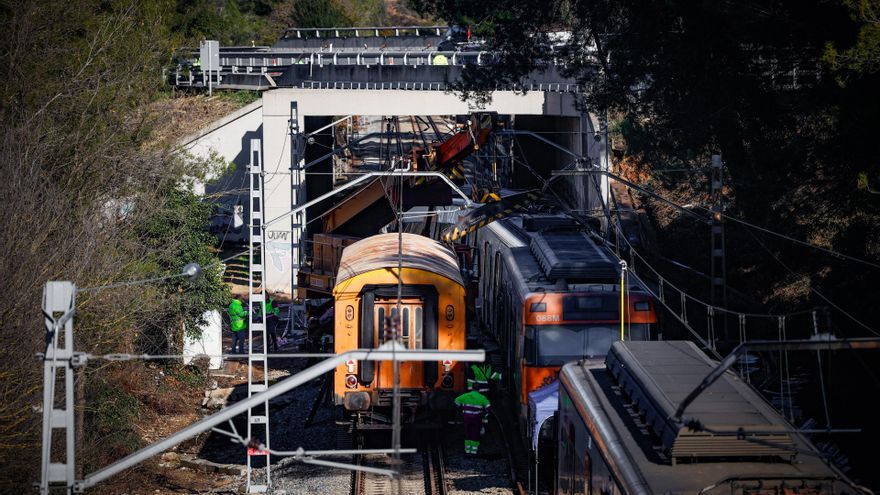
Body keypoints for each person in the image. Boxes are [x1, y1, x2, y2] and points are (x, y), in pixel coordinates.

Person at [454, 389, 491, 455]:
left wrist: (460, 408)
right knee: (475, 434)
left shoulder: (465, 395)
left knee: (467, 433)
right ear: (478, 390)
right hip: (477, 419)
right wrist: (484, 413)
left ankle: (467, 451)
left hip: (466, 418)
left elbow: (456, 401)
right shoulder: (482, 397)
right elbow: (488, 407)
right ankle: (473, 452)